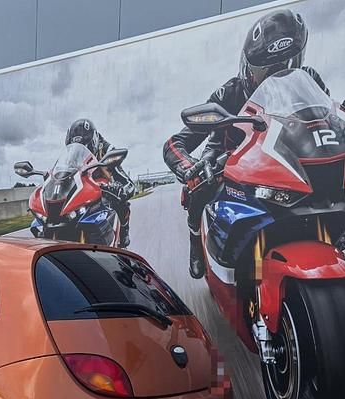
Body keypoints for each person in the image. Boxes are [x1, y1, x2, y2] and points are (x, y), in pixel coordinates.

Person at [162, 8, 329, 278]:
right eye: (267, 69)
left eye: (287, 64)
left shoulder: (309, 79)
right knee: (198, 187)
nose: (277, 75)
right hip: (227, 155)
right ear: (249, 68)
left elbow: (328, 115)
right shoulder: (228, 92)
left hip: (284, 153)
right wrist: (188, 165)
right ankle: (195, 238)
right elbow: (176, 141)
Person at [65, 118, 134, 248]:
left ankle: (123, 235)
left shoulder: (108, 150)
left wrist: (122, 189)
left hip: (106, 187)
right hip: (83, 190)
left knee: (122, 202)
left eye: (86, 146)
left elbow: (126, 182)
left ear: (94, 142)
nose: (79, 152)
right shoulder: (70, 156)